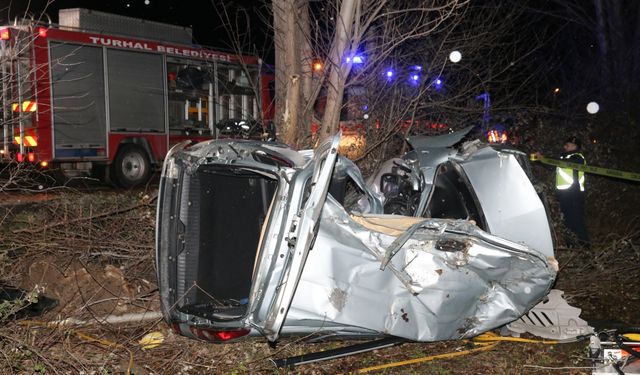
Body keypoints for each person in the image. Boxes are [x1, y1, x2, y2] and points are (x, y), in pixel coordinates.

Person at [541, 136, 589, 246]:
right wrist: (542, 160)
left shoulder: (578, 157)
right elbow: (552, 166)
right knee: (567, 222)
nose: (564, 147)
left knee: (577, 222)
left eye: (567, 145)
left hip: (574, 195)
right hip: (564, 195)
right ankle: (571, 247)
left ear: (574, 146)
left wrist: (545, 158)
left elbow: (566, 163)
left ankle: (586, 248)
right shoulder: (563, 157)